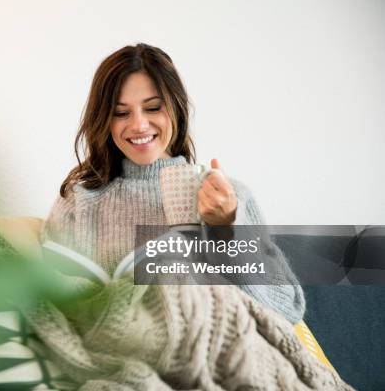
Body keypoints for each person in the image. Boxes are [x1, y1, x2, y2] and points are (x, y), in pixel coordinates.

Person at [41, 43, 305, 323]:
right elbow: (48, 302)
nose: (139, 125)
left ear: (175, 109)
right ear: (104, 120)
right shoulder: (78, 200)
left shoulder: (229, 198)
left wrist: (225, 230)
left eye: (153, 108)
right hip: (118, 350)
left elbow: (286, 310)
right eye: (121, 113)